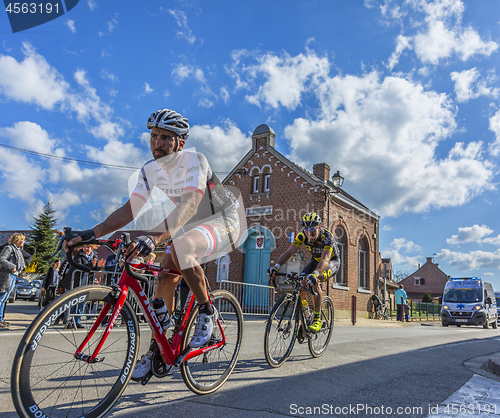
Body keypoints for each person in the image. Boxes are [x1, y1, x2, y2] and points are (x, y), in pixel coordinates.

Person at [65, 108, 241, 380]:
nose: (157, 142)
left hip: (224, 220)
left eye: (166, 138)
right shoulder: (149, 170)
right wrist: (92, 232)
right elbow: (129, 210)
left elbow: (191, 203)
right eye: (154, 136)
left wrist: (155, 236)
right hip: (192, 224)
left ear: (179, 143)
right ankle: (160, 349)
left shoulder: (195, 160)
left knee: (181, 246)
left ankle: (207, 310)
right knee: (165, 276)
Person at [268, 212, 340, 332]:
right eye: (306, 229)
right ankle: (307, 316)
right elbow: (289, 252)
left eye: (312, 229)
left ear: (319, 227)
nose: (309, 232)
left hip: (330, 263)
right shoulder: (302, 236)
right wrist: (276, 266)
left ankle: (317, 319)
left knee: (315, 281)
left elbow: (325, 259)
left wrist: (315, 274)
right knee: (301, 283)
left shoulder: (327, 237)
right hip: (315, 261)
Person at [0, 233, 29, 328]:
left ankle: (1, 319)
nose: (24, 242)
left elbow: (21, 262)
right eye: (22, 240)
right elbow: (2, 259)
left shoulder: (18, 250)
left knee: (4, 299)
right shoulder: (9, 248)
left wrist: (20, 268)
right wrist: (12, 267)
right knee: (1, 298)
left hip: (14, 276)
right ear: (18, 240)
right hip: (6, 275)